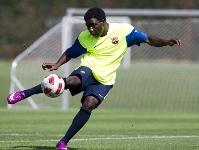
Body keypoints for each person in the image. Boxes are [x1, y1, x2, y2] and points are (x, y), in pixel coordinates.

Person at [7, 7, 181, 150]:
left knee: (89, 105)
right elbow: (70, 52)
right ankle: (23, 94)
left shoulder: (124, 31)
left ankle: (63, 142)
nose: (90, 29)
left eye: (93, 25)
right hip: (89, 68)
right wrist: (56, 65)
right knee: (71, 81)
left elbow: (149, 39)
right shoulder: (85, 38)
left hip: (105, 80)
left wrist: (166, 42)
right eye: (88, 26)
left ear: (103, 22)